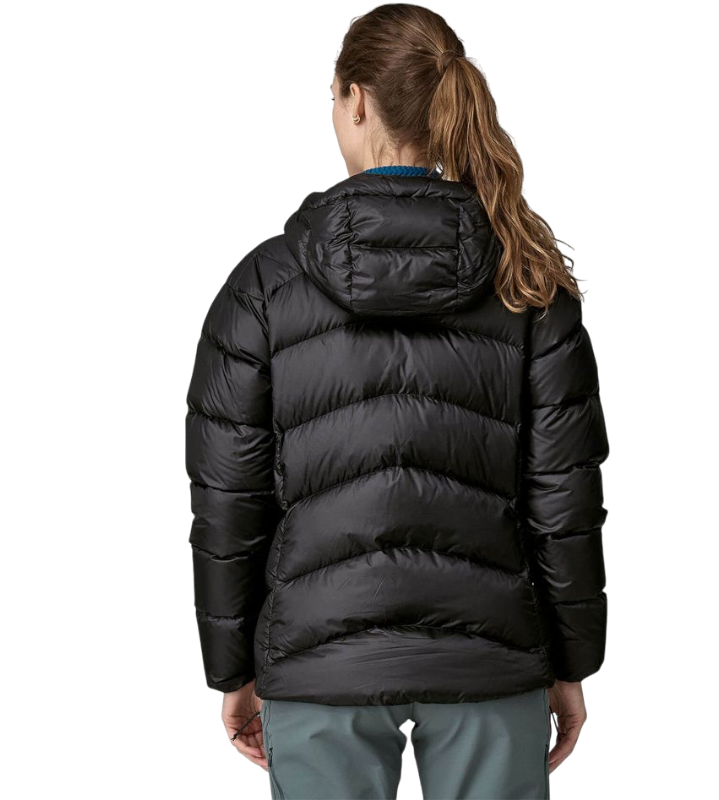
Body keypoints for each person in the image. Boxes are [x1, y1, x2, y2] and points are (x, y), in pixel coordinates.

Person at [185, 3, 608, 798]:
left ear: (355, 101)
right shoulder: (527, 281)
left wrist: (232, 670)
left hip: (317, 667)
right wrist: (571, 664)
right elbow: (566, 502)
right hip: (491, 662)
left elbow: (226, 505)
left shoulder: (263, 287)